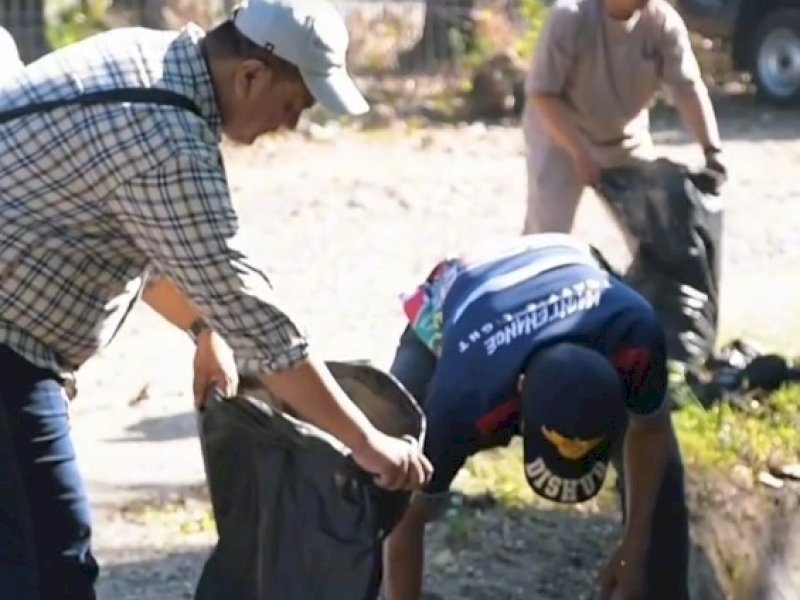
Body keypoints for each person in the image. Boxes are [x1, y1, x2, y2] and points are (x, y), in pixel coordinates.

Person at [0, 1, 432, 598]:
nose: (291, 126)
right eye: (293, 105)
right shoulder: (165, 135)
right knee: (39, 570)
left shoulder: (149, 61)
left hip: (20, 352)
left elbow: (135, 242)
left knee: (52, 561)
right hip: (9, 351)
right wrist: (366, 441)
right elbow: (253, 312)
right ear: (251, 75)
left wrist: (205, 330)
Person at [382, 233, 690, 600]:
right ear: (521, 394)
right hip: (459, 291)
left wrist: (636, 549)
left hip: (568, 259)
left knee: (660, 484)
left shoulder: (635, 336)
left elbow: (650, 429)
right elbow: (405, 519)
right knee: (384, 472)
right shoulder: (463, 399)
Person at [522, 0, 726, 236]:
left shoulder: (662, 23)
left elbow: (687, 88)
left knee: (658, 229)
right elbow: (542, 94)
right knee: (546, 236)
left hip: (625, 138)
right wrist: (579, 151)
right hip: (560, 137)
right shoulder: (571, 17)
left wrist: (712, 150)